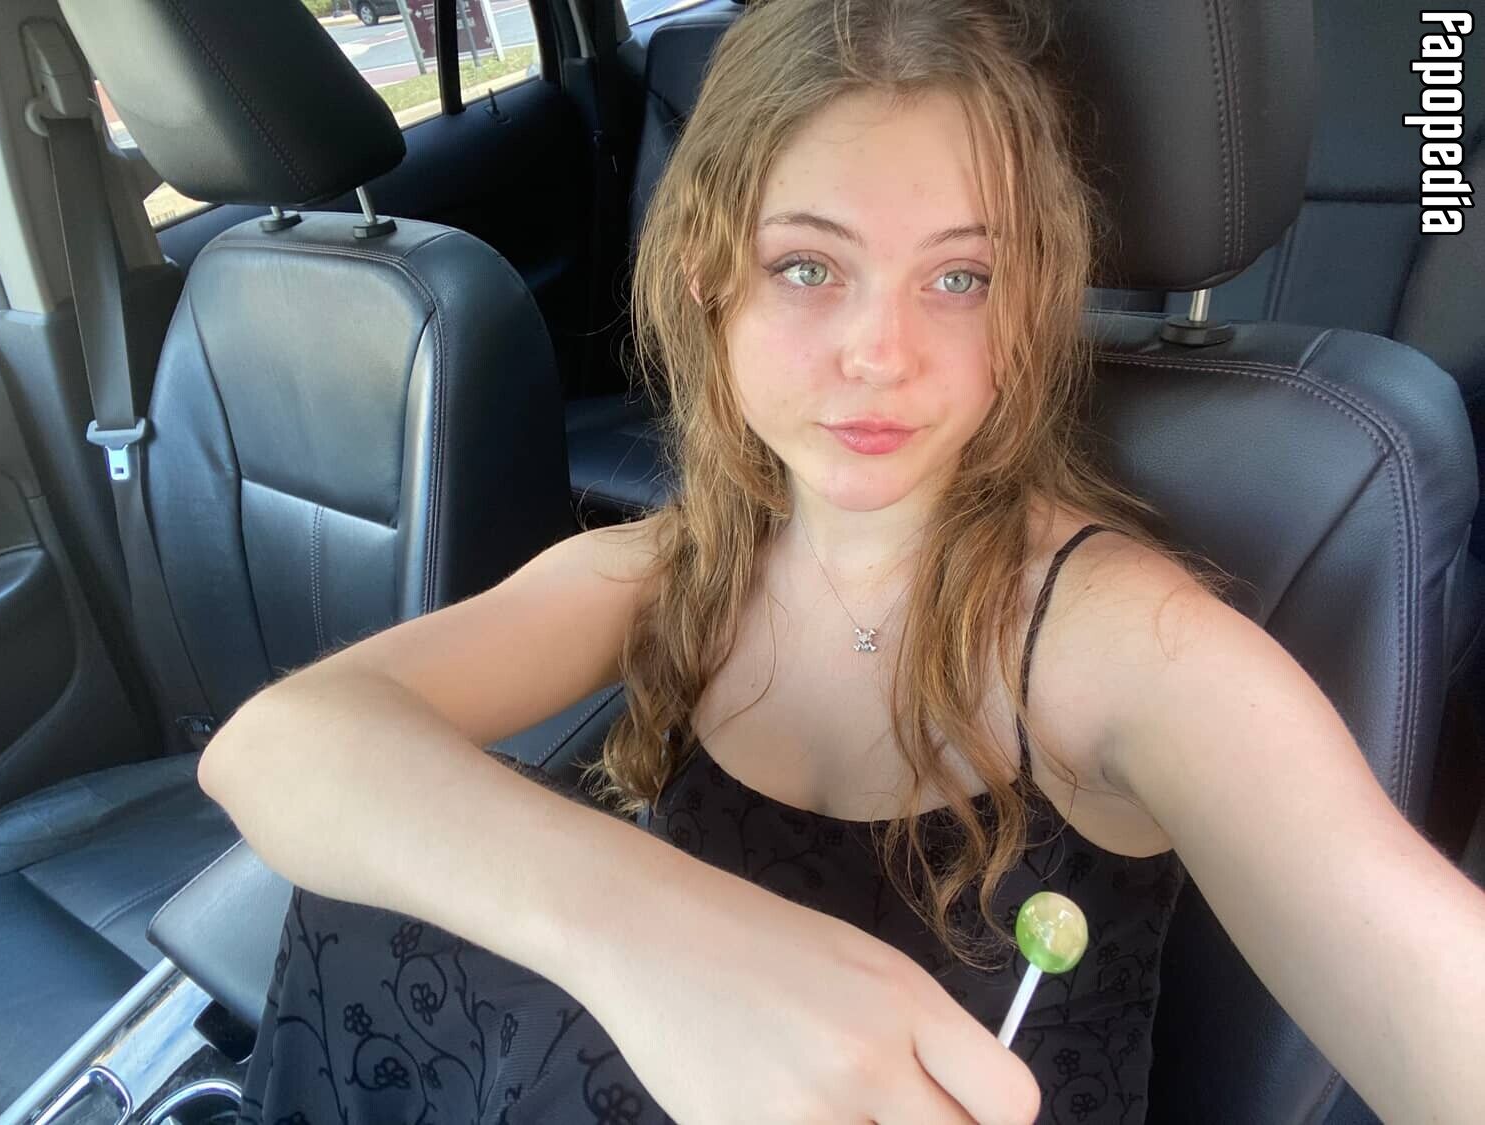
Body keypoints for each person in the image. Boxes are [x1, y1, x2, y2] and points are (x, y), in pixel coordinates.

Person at [205, 1, 1485, 1122]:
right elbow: (278, 745)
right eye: (809, 266)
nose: (881, 353)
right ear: (709, 280)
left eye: (960, 278)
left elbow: (1428, 988)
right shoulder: (676, 569)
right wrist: (660, 941)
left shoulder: (1124, 645)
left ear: (1028, 303)